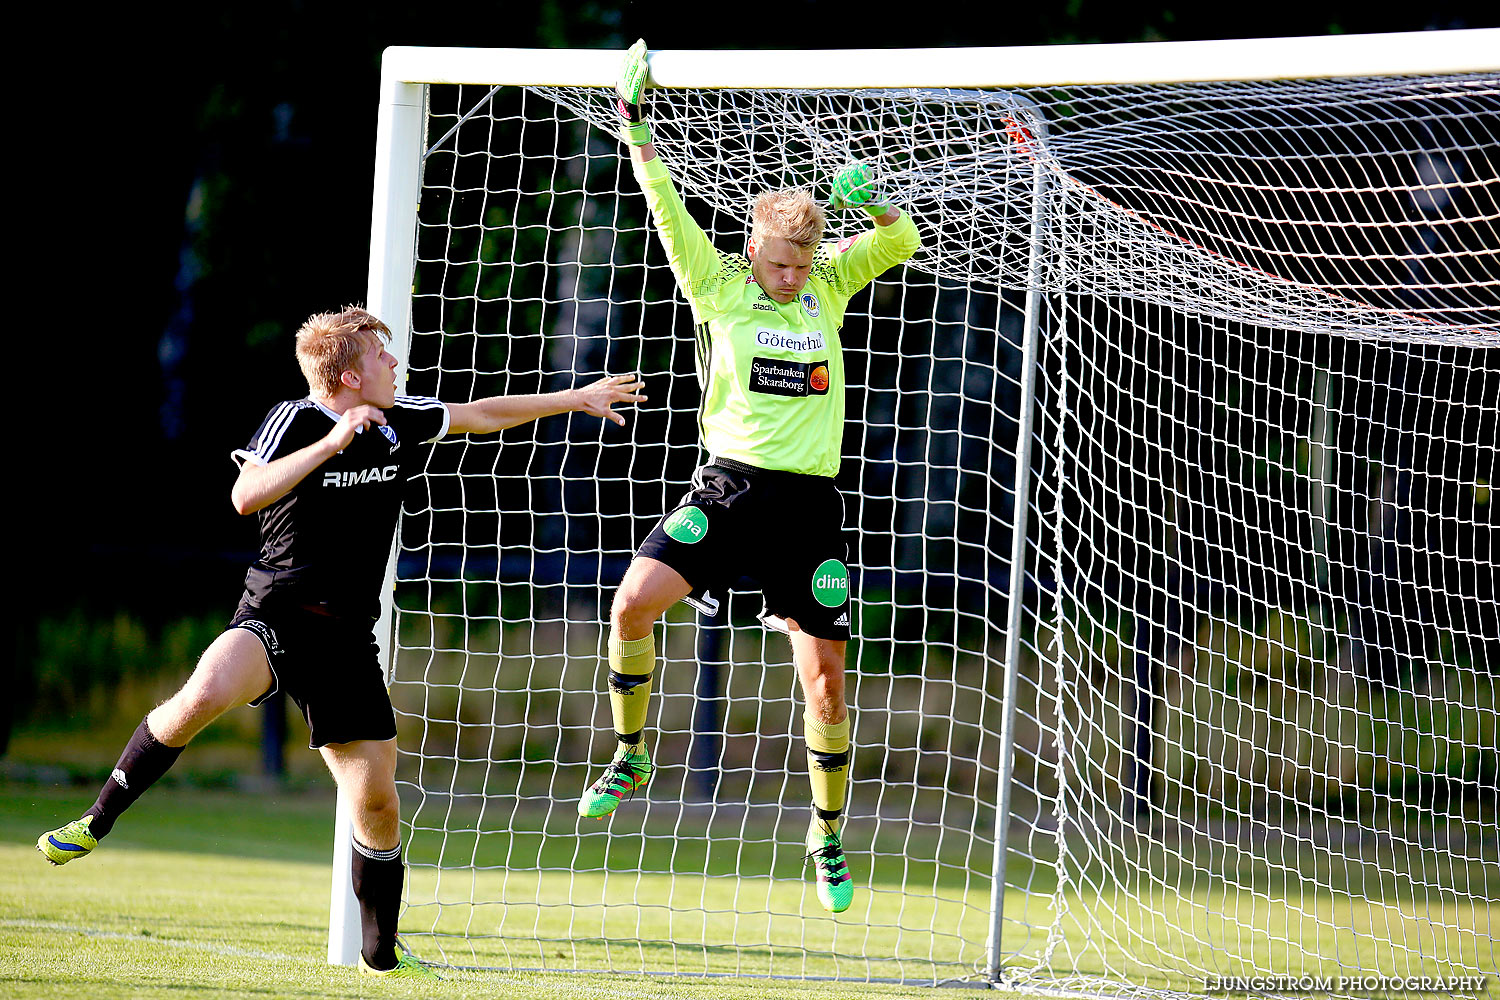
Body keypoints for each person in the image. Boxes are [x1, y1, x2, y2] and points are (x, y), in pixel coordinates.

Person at [37, 306, 644, 979]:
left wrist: (573, 398)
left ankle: (380, 954)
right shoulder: (295, 421)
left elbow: (481, 413)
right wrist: (332, 444)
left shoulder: (401, 418)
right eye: (382, 359)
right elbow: (244, 494)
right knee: (202, 696)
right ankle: (95, 821)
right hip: (274, 614)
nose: (394, 365)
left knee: (377, 804)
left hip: (346, 643)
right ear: (351, 375)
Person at [577, 40, 921, 916]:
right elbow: (661, 205)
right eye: (781, 263)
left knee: (827, 683)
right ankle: (631, 750)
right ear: (753, 249)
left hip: (809, 508)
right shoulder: (718, 284)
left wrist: (873, 200)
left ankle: (827, 834)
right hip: (728, 488)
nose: (794, 275)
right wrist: (636, 128)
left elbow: (902, 238)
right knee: (628, 605)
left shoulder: (828, 286)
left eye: (804, 264)